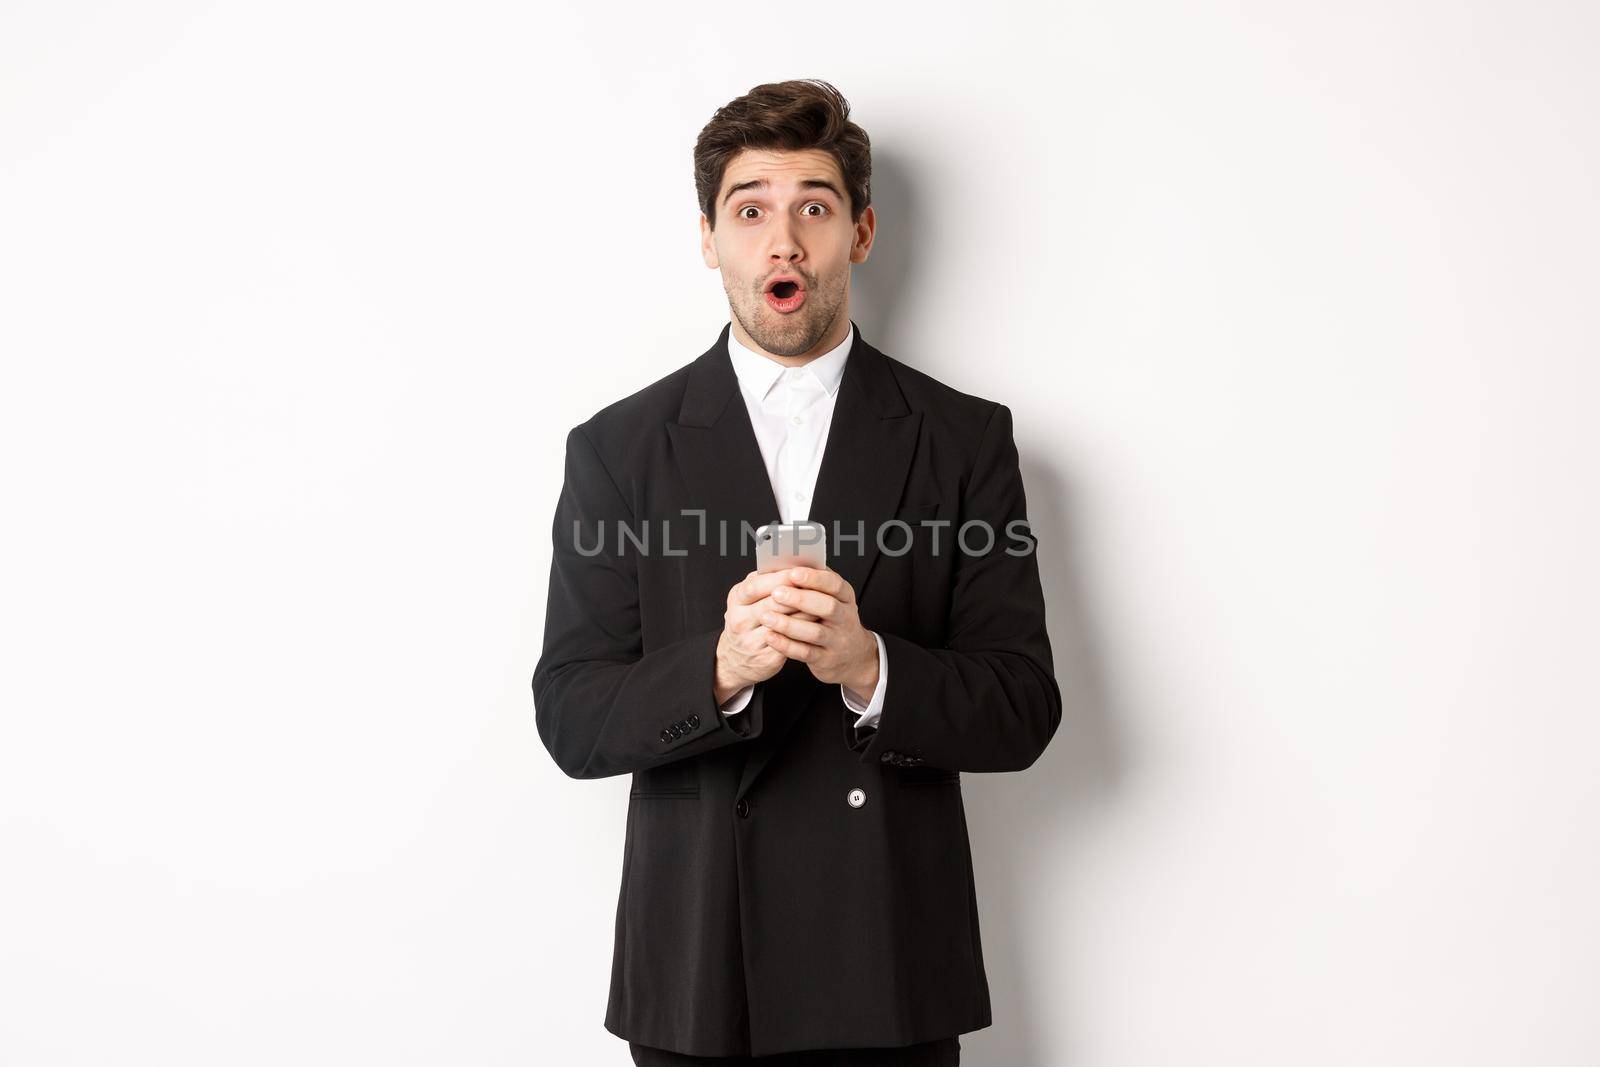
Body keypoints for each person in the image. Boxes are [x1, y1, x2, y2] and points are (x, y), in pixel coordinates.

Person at [532, 79, 1061, 1065]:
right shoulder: (618, 448)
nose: (783, 240)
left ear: (859, 232)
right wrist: (719, 667)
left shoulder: (962, 439)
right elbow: (569, 712)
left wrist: (871, 667)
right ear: (709, 238)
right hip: (698, 974)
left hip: (888, 964)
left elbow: (1023, 704)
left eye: (813, 206)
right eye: (750, 209)